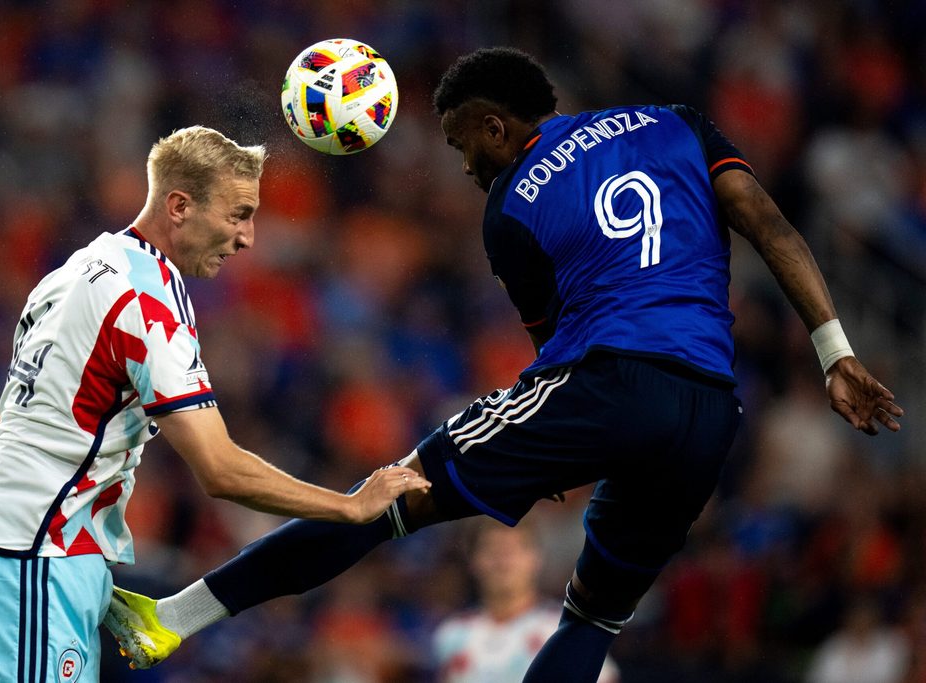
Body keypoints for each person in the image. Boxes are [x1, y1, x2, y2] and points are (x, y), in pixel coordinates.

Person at [104, 48, 903, 682]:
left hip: (607, 380)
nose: (463, 166)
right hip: (708, 409)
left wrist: (556, 449)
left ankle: (176, 616)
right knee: (593, 618)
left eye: (460, 144)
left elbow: (552, 351)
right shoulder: (678, 122)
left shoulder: (512, 203)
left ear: (493, 126)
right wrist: (835, 350)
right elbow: (771, 227)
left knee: (385, 499)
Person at [0, 125, 429, 683]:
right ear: (179, 206)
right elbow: (220, 470)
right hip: (29, 555)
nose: (247, 238)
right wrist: (351, 506)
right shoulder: (148, 301)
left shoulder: (76, 267)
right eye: (237, 214)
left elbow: (22, 423)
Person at [433, 520, 619, 683]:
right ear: (473, 559)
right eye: (492, 549)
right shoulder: (451, 634)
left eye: (513, 549)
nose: (503, 560)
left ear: (536, 558)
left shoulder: (563, 629)